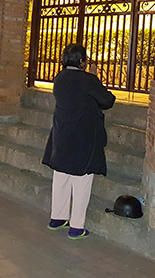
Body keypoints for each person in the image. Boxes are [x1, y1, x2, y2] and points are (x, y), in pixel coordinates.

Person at [42, 44, 116, 239]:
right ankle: (76, 227)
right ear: (82, 60)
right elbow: (107, 100)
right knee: (82, 178)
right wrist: (94, 79)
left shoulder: (59, 78)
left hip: (61, 132)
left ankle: (57, 217)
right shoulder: (88, 80)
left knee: (61, 175)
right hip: (83, 135)